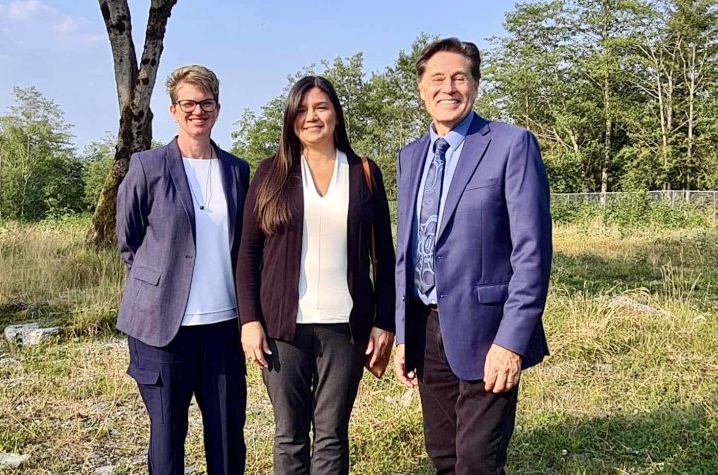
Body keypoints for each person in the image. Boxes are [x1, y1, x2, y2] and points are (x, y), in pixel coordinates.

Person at [393, 38, 552, 474]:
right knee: (443, 455)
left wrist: (510, 343)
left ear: (476, 86)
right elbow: (405, 252)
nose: (449, 88)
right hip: (426, 329)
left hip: (488, 331)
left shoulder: (510, 144)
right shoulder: (410, 157)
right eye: (437, 79)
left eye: (459, 78)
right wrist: (403, 333)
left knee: (477, 462)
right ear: (422, 89)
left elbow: (532, 252)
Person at [236, 75, 395, 474]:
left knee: (331, 434)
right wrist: (250, 320)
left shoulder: (363, 173)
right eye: (302, 110)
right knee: (289, 435)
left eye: (321, 107)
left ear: (337, 115)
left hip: (345, 328)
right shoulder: (272, 172)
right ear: (291, 120)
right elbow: (248, 254)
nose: (312, 117)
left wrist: (384, 321)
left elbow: (385, 258)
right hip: (281, 328)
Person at [116, 65, 249, 475]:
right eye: (188, 103)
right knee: (168, 439)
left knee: (227, 439)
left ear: (217, 108)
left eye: (205, 103)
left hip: (224, 330)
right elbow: (129, 240)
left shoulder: (237, 170)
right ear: (173, 110)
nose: (197, 111)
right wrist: (162, 287)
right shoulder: (146, 166)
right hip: (162, 331)